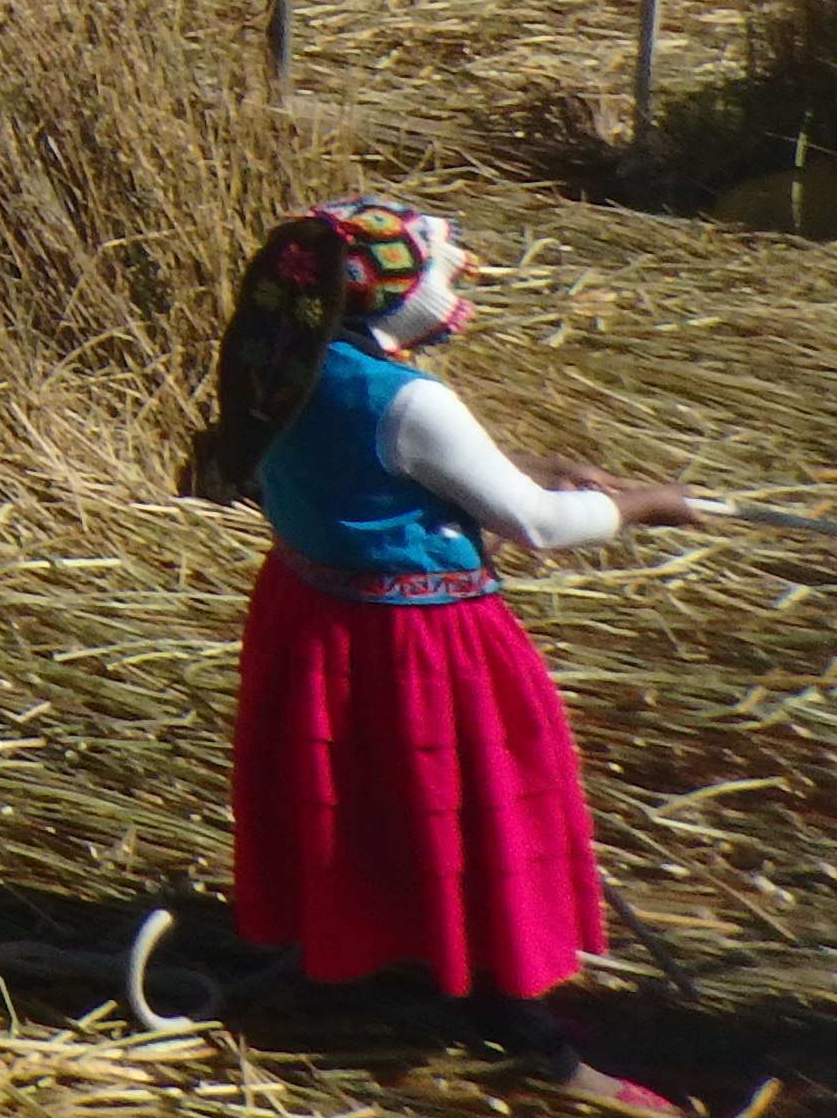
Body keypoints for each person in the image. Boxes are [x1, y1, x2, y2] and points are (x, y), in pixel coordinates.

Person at [183, 200, 702, 1109]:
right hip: (421, 649)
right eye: (445, 275)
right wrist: (651, 503)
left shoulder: (278, 369)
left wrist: (521, 470)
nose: (455, 285)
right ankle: (536, 1044)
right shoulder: (412, 400)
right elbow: (537, 527)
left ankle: (379, 960)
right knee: (470, 817)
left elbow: (378, 483)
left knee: (366, 811)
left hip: (315, 621)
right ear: (393, 297)